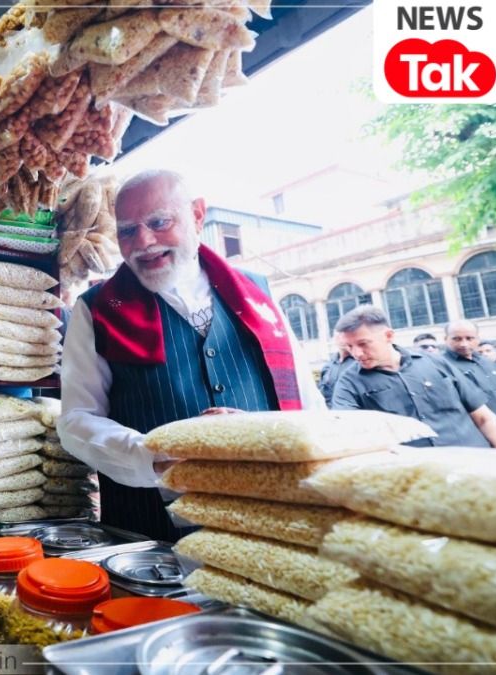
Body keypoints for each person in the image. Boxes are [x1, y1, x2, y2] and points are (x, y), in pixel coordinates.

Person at [58, 170, 325, 542]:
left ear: (197, 215)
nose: (144, 242)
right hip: (150, 539)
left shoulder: (258, 295)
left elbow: (310, 407)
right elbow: (76, 420)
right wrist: (153, 455)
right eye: (128, 231)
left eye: (159, 223)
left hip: (269, 527)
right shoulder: (99, 308)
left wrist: (263, 435)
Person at [330, 306, 496, 450]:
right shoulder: (349, 383)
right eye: (349, 346)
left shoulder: (436, 363)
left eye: (363, 344)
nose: (357, 353)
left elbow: (484, 418)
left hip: (473, 464)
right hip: (415, 478)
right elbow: (348, 435)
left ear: (388, 335)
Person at [441, 321, 496, 445]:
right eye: (456, 339)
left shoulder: (484, 361)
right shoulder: (443, 366)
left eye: (469, 338)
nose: (464, 344)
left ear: (477, 339)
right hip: (483, 439)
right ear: (446, 339)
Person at [318, 331, 354, 407]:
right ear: (334, 339)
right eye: (339, 336)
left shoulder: (360, 364)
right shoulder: (328, 367)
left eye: (346, 336)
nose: (343, 340)